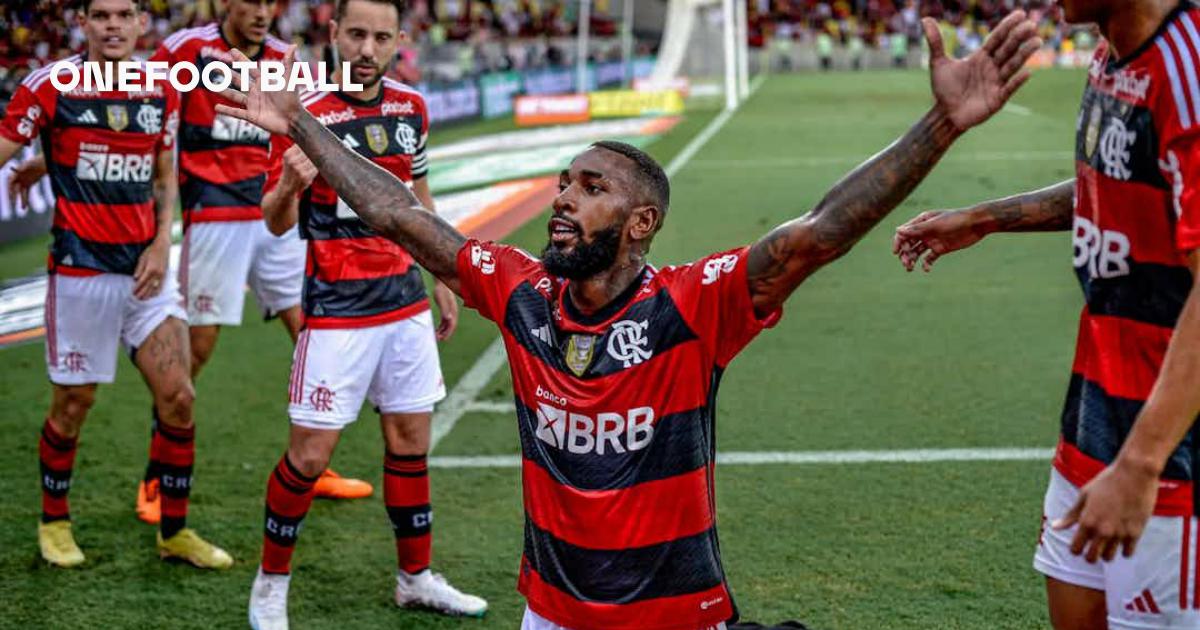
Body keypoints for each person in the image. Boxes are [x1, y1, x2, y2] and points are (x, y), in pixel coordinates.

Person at [219, 10, 1040, 630]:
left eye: (591, 187)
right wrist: (301, 126)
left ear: (641, 224)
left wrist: (939, 126)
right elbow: (402, 216)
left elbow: (816, 235)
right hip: (549, 611)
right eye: (564, 183)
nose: (563, 198)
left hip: (677, 613)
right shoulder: (519, 289)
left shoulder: (693, 305)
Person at [892, 0, 1200, 626]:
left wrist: (1141, 464)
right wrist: (983, 218)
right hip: (1095, 413)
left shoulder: (1187, 68)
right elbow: (1114, 183)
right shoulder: (1114, 52)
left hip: (1171, 446)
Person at [244, 0, 476, 627]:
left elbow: (417, 197)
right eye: (356, 34)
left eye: (380, 36)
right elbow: (273, 219)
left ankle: (415, 577)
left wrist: (442, 273)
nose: (367, 48)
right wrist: (291, 185)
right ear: (334, 34)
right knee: (310, 458)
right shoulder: (304, 111)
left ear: (399, 38)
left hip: (402, 304)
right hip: (338, 310)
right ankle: (269, 587)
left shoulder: (411, 106)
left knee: (410, 443)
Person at [0, 0, 230, 569]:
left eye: (123, 14)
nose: (112, 25)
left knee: (178, 397)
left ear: (139, 24)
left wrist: (160, 242)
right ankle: (54, 522)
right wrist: (39, 162)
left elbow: (162, 171)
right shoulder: (50, 85)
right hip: (81, 273)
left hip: (146, 276)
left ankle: (174, 532)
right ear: (82, 22)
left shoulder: (161, 87)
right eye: (100, 14)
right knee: (74, 403)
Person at [136, 0, 375, 523]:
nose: (265, 11)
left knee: (311, 336)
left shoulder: (283, 58)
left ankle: (310, 466)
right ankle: (156, 475)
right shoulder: (185, 51)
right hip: (215, 217)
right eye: (254, 1)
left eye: (273, 3)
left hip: (276, 213)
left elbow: (312, 128)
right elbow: (146, 121)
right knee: (194, 351)